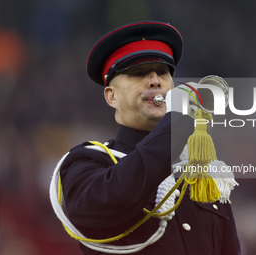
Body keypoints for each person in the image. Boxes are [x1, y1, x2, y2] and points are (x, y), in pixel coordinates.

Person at [54, 21, 241, 255]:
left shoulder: (202, 174)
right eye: (139, 74)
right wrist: (177, 122)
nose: (155, 81)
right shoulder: (86, 163)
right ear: (112, 97)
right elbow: (113, 200)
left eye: (162, 72)